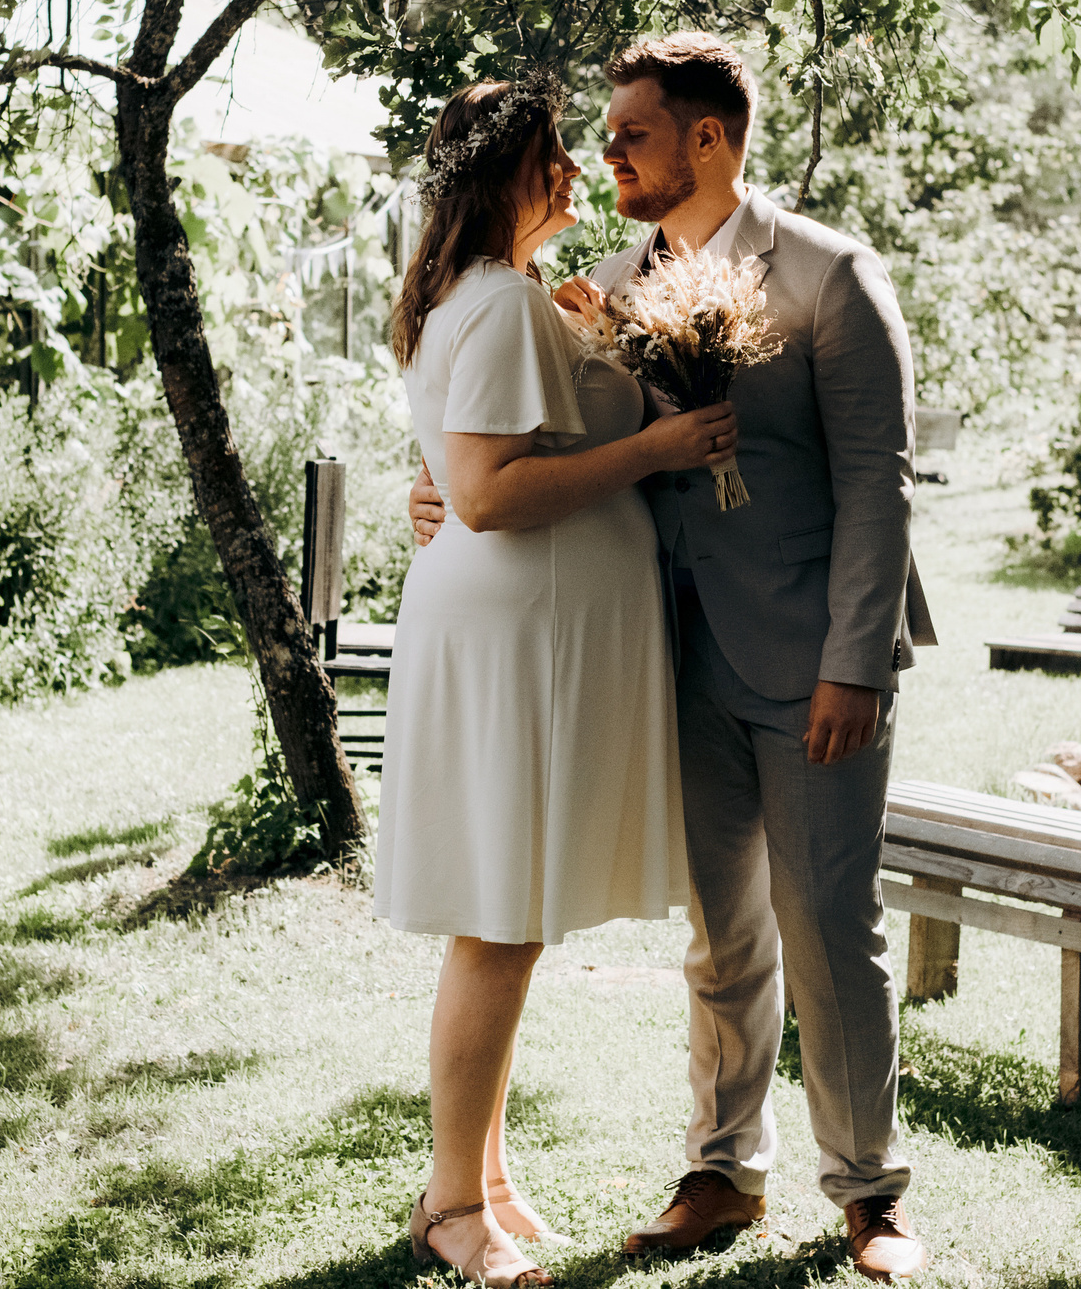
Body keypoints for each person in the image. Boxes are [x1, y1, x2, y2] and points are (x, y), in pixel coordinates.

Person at [412, 32, 931, 1282]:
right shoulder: (600, 279)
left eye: (631, 132)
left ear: (708, 138)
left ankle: (871, 1199)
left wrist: (856, 660)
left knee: (828, 928)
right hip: (664, 657)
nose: (607, 153)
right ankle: (720, 1169)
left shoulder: (828, 277)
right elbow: (517, 442)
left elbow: (881, 486)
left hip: (813, 659)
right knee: (718, 936)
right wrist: (430, 499)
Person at [377, 78, 738, 1289]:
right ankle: (449, 1205)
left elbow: (474, 466)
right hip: (514, 641)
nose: (578, 175)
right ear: (505, 177)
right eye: (554, 160)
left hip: (531, 637)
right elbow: (482, 494)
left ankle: (483, 1175)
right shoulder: (493, 307)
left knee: (512, 920)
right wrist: (656, 447)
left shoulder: (508, 300)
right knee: (499, 920)